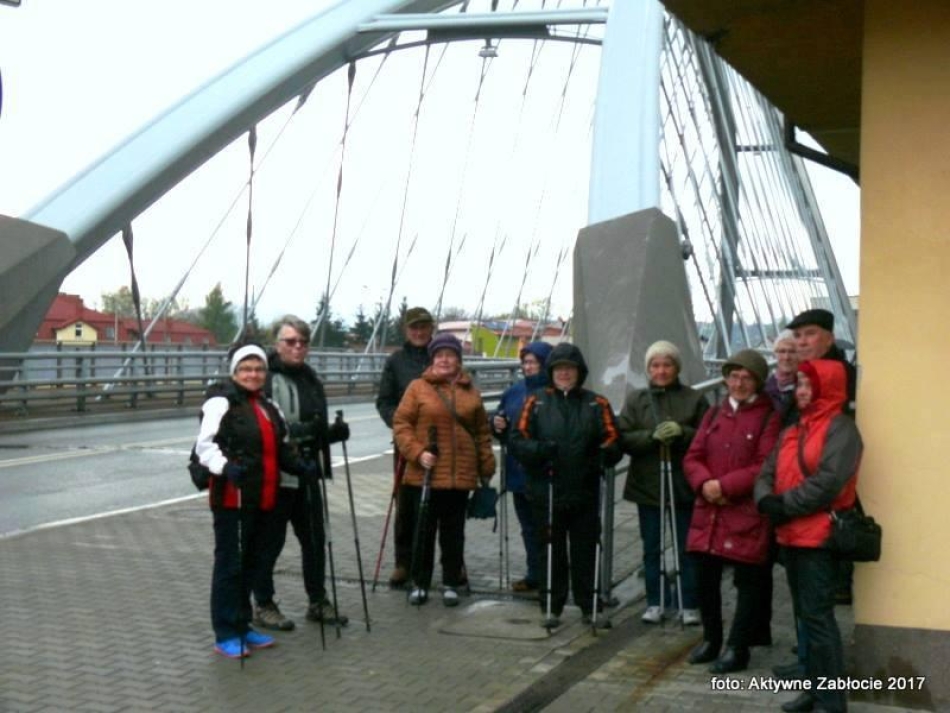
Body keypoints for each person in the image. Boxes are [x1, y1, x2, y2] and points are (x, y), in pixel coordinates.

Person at [755, 359, 862, 713]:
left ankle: (832, 700)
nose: (801, 392)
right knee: (807, 616)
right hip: (791, 535)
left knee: (818, 618)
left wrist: (782, 504)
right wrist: (765, 499)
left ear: (826, 389)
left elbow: (829, 482)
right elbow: (767, 471)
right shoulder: (795, 429)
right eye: (798, 385)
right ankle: (815, 691)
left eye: (808, 385)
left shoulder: (841, 430)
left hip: (818, 537)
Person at [194, 343, 314, 658]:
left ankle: (243, 623)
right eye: (246, 368)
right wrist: (226, 468)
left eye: (259, 369)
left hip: (264, 496)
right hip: (233, 497)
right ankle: (225, 631)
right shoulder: (221, 403)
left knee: (252, 564)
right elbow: (205, 447)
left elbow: (281, 446)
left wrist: (299, 466)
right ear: (235, 372)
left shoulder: (267, 405)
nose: (253, 374)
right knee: (230, 566)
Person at [509, 343, 623, 627]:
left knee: (586, 549)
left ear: (579, 372)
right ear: (551, 372)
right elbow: (517, 439)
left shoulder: (597, 403)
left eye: (569, 369)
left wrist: (602, 455)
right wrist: (539, 451)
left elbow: (613, 438)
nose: (564, 374)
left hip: (584, 489)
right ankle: (552, 607)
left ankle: (590, 606)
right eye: (559, 369)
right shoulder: (536, 402)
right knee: (551, 550)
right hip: (546, 489)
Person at [683, 349, 780, 674]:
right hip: (709, 511)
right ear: (725, 379)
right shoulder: (713, 415)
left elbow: (764, 464)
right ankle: (711, 639)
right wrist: (705, 484)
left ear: (757, 382)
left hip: (744, 512)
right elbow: (693, 456)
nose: (738, 383)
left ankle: (738, 646)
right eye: (733, 376)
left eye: (746, 377)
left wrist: (724, 487)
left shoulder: (769, 417)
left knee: (749, 583)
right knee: (704, 579)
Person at [251, 316, 349, 631]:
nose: (297, 347)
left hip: (307, 472)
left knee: (315, 541)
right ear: (277, 344)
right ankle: (263, 603)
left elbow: (314, 426)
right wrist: (300, 431)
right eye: (290, 341)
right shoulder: (264, 377)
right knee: (270, 543)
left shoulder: (310, 379)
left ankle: (317, 600)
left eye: (302, 342)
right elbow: (264, 424)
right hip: (276, 476)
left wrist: (332, 433)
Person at [392, 332, 495, 606]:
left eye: (450, 355)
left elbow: (482, 432)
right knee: (422, 533)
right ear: (432, 359)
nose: (445, 360)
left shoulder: (471, 391)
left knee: (453, 534)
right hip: (424, 475)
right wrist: (417, 452)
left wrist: (486, 465)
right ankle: (420, 582)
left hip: (459, 477)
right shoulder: (417, 388)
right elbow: (401, 425)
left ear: (459, 360)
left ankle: (450, 581)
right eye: (439, 355)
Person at [616, 340, 708, 625]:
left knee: (686, 547)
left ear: (676, 368)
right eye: (655, 365)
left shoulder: (694, 399)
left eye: (667, 365)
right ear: (648, 369)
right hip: (648, 485)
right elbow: (624, 437)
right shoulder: (636, 400)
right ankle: (655, 601)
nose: (661, 370)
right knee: (651, 547)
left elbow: (707, 436)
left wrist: (683, 432)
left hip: (683, 484)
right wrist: (649, 437)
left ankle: (688, 602)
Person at [786, 307, 856, 605]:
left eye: (810, 334)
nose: (801, 342)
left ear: (829, 338)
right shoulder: (803, 376)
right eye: (798, 336)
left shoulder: (841, 377)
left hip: (824, 481)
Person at [376, 306, 434, 589]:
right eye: (414, 328)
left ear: (431, 329)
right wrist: (399, 427)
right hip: (407, 443)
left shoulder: (444, 356)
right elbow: (384, 401)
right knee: (406, 505)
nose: (419, 332)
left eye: (424, 327)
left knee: (444, 505)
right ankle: (403, 563)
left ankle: (453, 564)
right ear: (406, 331)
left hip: (440, 442)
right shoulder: (396, 361)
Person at [491, 340, 554, 594]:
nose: (529, 367)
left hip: (545, 472)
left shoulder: (553, 393)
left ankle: (551, 574)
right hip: (517, 471)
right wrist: (495, 423)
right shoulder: (514, 392)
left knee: (546, 527)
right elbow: (499, 420)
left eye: (534, 362)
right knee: (528, 527)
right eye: (525, 362)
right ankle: (535, 574)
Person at [765, 329, 800, 427]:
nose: (786, 357)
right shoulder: (767, 387)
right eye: (782, 351)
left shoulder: (806, 385)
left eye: (792, 351)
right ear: (775, 354)